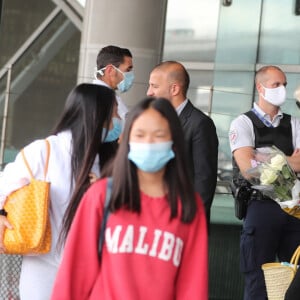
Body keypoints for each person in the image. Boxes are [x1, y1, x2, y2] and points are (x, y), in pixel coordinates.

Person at [51, 97, 208, 300]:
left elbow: (193, 286)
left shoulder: (188, 205)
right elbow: (74, 276)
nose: (149, 143)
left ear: (174, 142)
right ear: (126, 140)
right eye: (140, 135)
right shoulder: (102, 196)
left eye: (159, 135)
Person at [0, 83, 121, 300]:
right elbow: (4, 185)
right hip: (43, 265)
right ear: (95, 117)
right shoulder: (44, 151)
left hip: (91, 265)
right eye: (112, 116)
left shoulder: (107, 159)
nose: (116, 123)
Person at [229, 65, 300, 300]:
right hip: (261, 208)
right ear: (260, 88)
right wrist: (289, 160)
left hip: (293, 210)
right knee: (258, 282)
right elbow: (249, 169)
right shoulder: (243, 123)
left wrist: (265, 157)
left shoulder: (294, 124)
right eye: (276, 85)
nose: (282, 90)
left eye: (284, 85)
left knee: (295, 283)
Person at [147, 61, 218, 226]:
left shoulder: (199, 123)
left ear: (174, 89)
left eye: (154, 86)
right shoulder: (154, 119)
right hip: (155, 217)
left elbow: (204, 179)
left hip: (184, 220)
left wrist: (190, 220)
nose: (149, 92)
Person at [93, 45, 134, 121]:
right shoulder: (105, 99)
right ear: (110, 70)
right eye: (128, 70)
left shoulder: (95, 94)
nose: (131, 75)